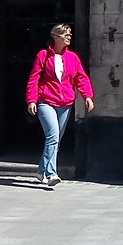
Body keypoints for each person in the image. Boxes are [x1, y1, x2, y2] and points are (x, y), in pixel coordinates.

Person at [25, 23, 95, 187]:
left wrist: (87, 96)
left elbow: (81, 78)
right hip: (46, 101)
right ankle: (51, 173)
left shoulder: (73, 58)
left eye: (70, 34)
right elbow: (34, 78)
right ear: (56, 37)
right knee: (53, 136)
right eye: (66, 35)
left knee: (55, 139)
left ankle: (41, 170)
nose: (69, 37)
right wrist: (31, 100)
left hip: (65, 103)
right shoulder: (43, 55)